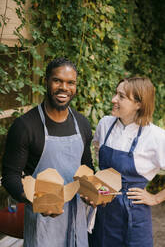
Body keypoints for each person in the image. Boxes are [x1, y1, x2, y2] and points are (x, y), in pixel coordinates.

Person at [2, 57, 94, 247]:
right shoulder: (25, 126)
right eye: (57, 80)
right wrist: (35, 200)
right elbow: (10, 176)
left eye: (70, 82)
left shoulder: (82, 123)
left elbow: (86, 167)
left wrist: (94, 192)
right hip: (42, 222)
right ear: (46, 81)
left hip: (76, 220)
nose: (64, 88)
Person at [90, 77, 165, 247]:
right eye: (115, 93)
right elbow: (97, 156)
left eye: (121, 96)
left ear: (139, 104)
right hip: (102, 214)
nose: (113, 99)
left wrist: (155, 199)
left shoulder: (155, 137)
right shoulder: (105, 125)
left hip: (134, 220)